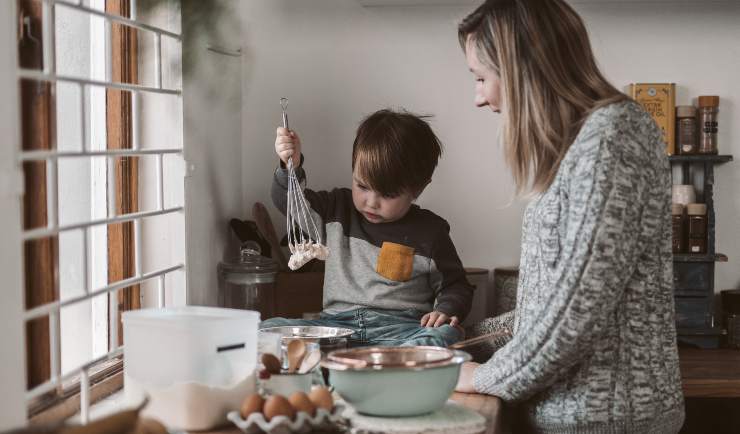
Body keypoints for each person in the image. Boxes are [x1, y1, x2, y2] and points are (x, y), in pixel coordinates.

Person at [454, 0, 684, 433]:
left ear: (522, 69)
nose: (479, 97)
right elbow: (550, 305)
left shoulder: (612, 137)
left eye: (482, 77)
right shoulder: (580, 147)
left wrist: (482, 376)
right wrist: (466, 339)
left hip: (608, 419)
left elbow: (577, 309)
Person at [260, 109, 473, 347]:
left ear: (418, 189)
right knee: (265, 329)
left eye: (388, 194)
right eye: (362, 186)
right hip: (336, 329)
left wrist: (446, 310)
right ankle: (356, 365)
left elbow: (456, 285)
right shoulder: (335, 210)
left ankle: (394, 365)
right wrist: (290, 165)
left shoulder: (430, 232)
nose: (371, 202)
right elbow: (289, 201)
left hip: (399, 332)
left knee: (445, 334)